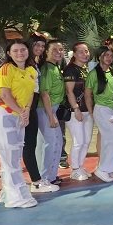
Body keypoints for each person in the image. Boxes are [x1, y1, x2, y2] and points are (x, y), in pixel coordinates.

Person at [0, 40, 41, 208]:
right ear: (9, 53)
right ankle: (14, 197)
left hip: (19, 115)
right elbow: (4, 94)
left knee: (15, 157)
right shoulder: (6, 69)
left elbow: (31, 93)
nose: (20, 53)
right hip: (4, 115)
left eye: (23, 49)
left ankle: (8, 192)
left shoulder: (32, 70)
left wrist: (25, 111)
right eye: (15, 50)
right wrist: (20, 111)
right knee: (8, 157)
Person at [84, 46, 113, 183]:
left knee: (110, 140)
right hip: (102, 110)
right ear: (99, 56)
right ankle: (102, 169)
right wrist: (91, 112)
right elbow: (88, 95)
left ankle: (109, 168)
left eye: (110, 55)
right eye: (105, 55)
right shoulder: (93, 74)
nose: (108, 57)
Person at [36, 40, 66, 187]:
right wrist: (50, 115)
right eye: (54, 50)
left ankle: (49, 175)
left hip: (51, 108)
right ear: (46, 52)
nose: (59, 52)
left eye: (61, 49)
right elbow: (44, 93)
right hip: (46, 109)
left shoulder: (55, 67)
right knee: (53, 143)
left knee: (51, 142)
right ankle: (46, 178)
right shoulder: (47, 69)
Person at [64, 42, 93, 181]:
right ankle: (75, 169)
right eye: (81, 52)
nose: (84, 54)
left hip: (87, 110)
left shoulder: (86, 69)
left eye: (86, 51)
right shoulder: (70, 70)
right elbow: (69, 91)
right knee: (78, 141)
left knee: (86, 141)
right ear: (74, 54)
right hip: (75, 111)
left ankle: (80, 166)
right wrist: (75, 108)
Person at [24, 34, 49, 191]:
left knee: (31, 144)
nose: (39, 48)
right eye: (36, 45)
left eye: (42, 46)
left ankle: (37, 179)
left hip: (32, 108)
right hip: (23, 109)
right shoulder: (24, 65)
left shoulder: (38, 63)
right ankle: (36, 182)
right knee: (27, 145)